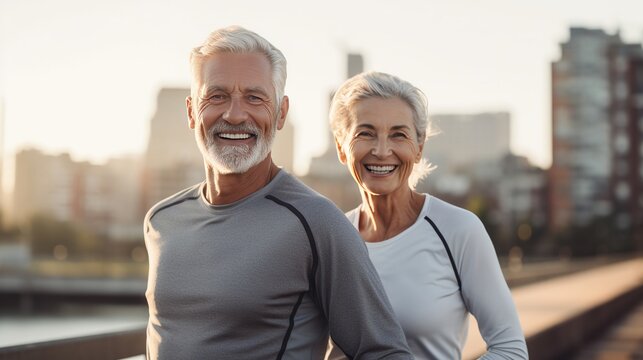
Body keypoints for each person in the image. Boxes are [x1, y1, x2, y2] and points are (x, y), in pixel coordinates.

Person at [143, 27, 413, 360]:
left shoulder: (316, 223)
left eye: (255, 98)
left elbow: (384, 353)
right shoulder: (161, 220)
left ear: (281, 113)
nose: (235, 114)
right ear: (190, 112)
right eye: (216, 96)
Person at [326, 71, 528, 359]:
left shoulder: (457, 229)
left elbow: (511, 348)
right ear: (341, 148)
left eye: (399, 135)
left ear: (419, 148)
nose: (382, 150)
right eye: (365, 133)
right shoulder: (332, 238)